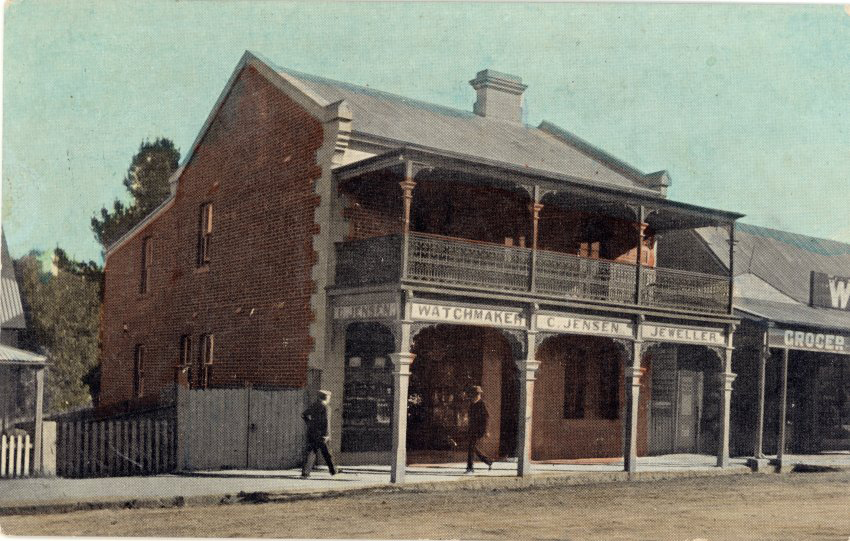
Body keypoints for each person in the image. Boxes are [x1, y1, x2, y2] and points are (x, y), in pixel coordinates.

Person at [301, 390, 338, 477]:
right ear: (326, 397)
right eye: (329, 397)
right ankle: (333, 471)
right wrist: (326, 435)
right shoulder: (326, 407)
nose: (329, 399)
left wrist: (310, 424)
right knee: (327, 453)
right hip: (322, 434)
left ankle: (305, 473)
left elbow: (304, 415)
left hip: (312, 433)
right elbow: (326, 422)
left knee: (311, 452)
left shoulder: (314, 405)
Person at [466, 385, 493, 473]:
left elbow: (487, 418)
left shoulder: (482, 404)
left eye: (478, 394)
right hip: (472, 429)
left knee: (472, 447)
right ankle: (488, 461)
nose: (478, 396)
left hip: (480, 430)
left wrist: (486, 431)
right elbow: (470, 417)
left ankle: (470, 468)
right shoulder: (471, 404)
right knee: (473, 447)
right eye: (476, 394)